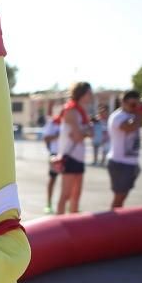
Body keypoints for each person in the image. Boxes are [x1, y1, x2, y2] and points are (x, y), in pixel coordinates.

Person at [55, 82, 93, 214]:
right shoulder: (71, 110)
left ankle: (73, 226)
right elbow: (78, 136)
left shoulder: (82, 112)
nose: (91, 96)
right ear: (81, 94)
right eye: (89, 93)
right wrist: (85, 133)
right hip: (69, 156)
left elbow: (89, 133)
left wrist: (84, 133)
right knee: (65, 195)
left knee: (76, 196)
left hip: (79, 156)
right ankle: (58, 224)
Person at [106, 90, 142, 208]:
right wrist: (140, 112)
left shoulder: (133, 115)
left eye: (137, 104)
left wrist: (138, 112)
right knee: (119, 196)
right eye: (133, 105)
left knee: (123, 196)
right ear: (123, 102)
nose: (135, 108)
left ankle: (116, 220)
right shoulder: (117, 117)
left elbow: (138, 124)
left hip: (131, 162)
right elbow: (130, 127)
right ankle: (112, 221)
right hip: (120, 163)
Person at [40, 115, 60, 213]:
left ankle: (70, 204)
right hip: (55, 153)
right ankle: (48, 203)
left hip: (68, 154)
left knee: (69, 181)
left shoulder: (75, 118)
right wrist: (58, 136)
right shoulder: (52, 122)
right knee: (53, 178)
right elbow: (46, 138)